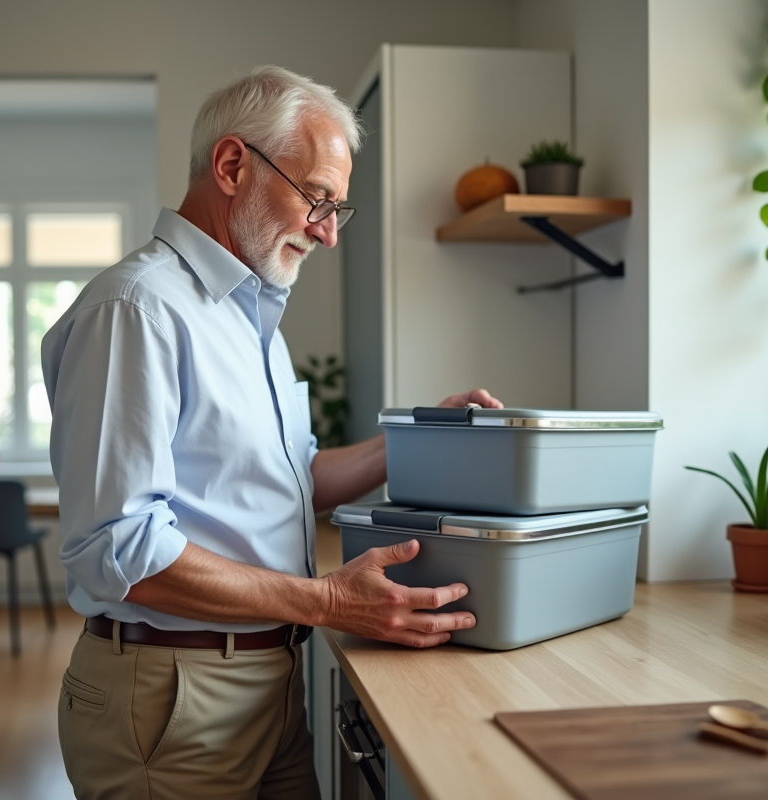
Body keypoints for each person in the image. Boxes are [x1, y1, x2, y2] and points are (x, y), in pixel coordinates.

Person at [41, 65, 503, 800]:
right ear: (232, 165)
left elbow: (290, 479)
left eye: (336, 209)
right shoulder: (137, 310)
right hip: (172, 698)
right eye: (318, 198)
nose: (327, 232)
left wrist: (423, 438)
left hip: (266, 681)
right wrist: (325, 602)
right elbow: (119, 550)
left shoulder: (247, 313)